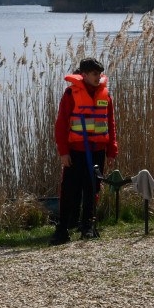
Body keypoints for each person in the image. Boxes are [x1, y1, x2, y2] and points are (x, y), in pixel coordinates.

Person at [53, 57, 118, 244]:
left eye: (99, 74)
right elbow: (61, 125)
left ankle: (87, 226)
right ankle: (63, 228)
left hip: (98, 150)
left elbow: (111, 124)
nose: (98, 77)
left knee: (93, 188)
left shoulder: (106, 95)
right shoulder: (70, 94)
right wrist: (63, 152)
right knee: (69, 189)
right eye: (94, 74)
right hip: (75, 151)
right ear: (84, 75)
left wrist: (112, 151)